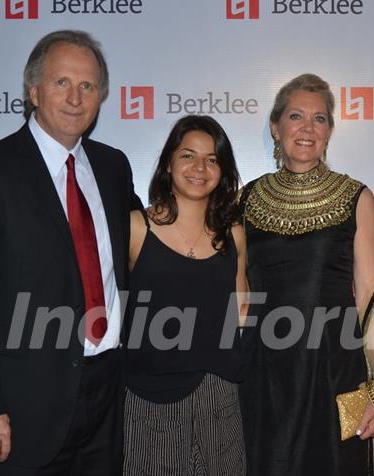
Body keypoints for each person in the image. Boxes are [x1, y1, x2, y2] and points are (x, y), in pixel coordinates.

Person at [0, 30, 142, 475]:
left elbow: (141, 248)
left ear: (101, 97)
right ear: (33, 91)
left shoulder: (113, 167)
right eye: (61, 83)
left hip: (107, 395)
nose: (75, 98)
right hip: (20, 407)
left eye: (87, 86)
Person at [238, 73, 374, 476]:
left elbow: (371, 296)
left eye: (319, 119)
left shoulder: (356, 196)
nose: (307, 128)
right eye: (296, 116)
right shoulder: (246, 199)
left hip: (336, 371)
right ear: (275, 126)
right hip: (264, 372)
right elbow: (236, 293)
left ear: (330, 131)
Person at [123, 115, 247, 475]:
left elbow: (242, 310)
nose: (200, 168)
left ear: (223, 170)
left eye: (212, 159)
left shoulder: (233, 233)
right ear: (168, 163)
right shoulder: (134, 227)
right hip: (148, 401)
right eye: (188, 155)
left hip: (220, 397)